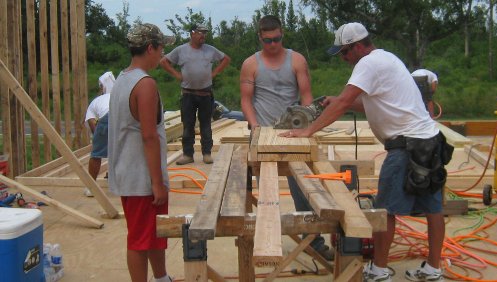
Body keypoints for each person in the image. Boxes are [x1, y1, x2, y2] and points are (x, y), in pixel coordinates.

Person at [282, 22, 450, 281]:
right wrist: (335, 100)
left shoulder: (368, 64)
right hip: (429, 142)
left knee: (385, 212)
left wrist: (308, 131)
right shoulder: (387, 58)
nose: (344, 59)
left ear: (358, 46)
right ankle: (433, 269)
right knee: (433, 208)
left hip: (406, 147)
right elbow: (368, 103)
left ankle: (379, 270)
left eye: (345, 53)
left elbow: (347, 100)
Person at [240, 15, 335, 261]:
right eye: (268, 40)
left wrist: (307, 124)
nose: (273, 44)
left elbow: (306, 96)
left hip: (293, 131)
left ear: (282, 34)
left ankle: (312, 239)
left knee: (303, 187)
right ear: (260, 37)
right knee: (266, 190)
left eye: (277, 39)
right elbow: (246, 100)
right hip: (265, 132)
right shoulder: (251, 64)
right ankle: (265, 239)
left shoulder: (296, 60)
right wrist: (255, 127)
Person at [107, 23, 174, 282]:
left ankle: (161, 277)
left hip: (130, 174)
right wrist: (156, 182)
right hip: (141, 180)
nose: (162, 55)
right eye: (160, 49)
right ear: (150, 48)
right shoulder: (145, 84)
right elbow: (148, 136)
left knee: (154, 233)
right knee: (139, 239)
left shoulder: (123, 79)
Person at [160, 23, 231, 165]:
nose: (203, 35)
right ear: (192, 33)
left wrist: (214, 73)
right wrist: (177, 74)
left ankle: (207, 153)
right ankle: (188, 154)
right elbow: (164, 61)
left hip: (205, 94)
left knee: (206, 125)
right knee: (187, 125)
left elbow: (226, 59)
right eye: (200, 32)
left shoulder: (210, 50)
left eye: (205, 33)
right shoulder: (181, 50)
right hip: (188, 94)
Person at [83, 71, 115, 197]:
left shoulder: (96, 101)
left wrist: (99, 139)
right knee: (121, 151)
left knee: (96, 154)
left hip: (107, 118)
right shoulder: (120, 95)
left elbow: (92, 125)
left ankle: (91, 188)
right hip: (124, 116)